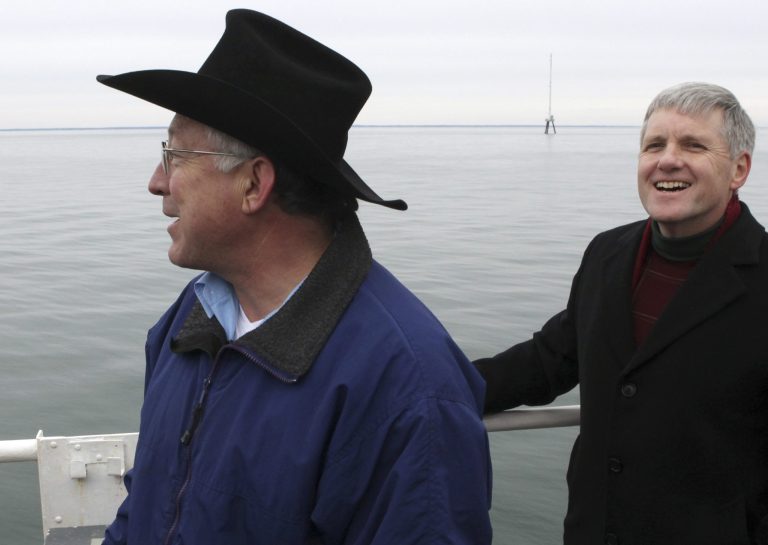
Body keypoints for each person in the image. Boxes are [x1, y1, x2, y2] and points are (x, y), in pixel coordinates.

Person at [96, 9, 492, 545]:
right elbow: (147, 506)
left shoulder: (408, 387)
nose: (156, 182)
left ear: (254, 183)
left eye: (175, 154)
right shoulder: (189, 321)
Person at [475, 82, 768, 545]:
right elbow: (552, 358)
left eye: (693, 144)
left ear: (739, 169)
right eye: (654, 145)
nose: (667, 159)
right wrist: (436, 386)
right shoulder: (607, 253)